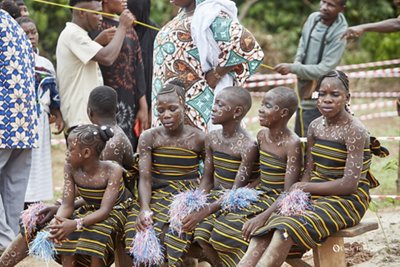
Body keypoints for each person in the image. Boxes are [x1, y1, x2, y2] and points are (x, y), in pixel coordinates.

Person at [238, 70, 383, 267]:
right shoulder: (315, 126)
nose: (326, 99)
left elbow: (349, 185)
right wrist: (266, 214)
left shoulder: (355, 131)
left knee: (284, 230)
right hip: (314, 194)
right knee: (262, 232)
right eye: (321, 94)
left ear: (347, 97)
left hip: (347, 200)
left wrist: (305, 188)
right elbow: (307, 173)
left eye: (335, 94)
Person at [0, 86, 135, 267]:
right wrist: (58, 210)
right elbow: (81, 192)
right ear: (117, 110)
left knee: (59, 228)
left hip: (113, 208)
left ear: (89, 111)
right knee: (37, 220)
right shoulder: (91, 137)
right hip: (89, 202)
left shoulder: (109, 144)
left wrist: (60, 212)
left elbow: (103, 197)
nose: (68, 152)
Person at [205, 87, 302, 266]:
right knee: (221, 225)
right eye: (262, 104)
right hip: (260, 194)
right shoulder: (261, 136)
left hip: (278, 200)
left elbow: (288, 192)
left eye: (267, 105)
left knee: (238, 229)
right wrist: (249, 188)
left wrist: (262, 217)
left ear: (283, 113)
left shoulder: (292, 143)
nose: (260, 109)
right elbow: (263, 175)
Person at [167, 86, 259, 266]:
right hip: (216, 197)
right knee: (178, 227)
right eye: (215, 102)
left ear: (237, 112)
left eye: (220, 104)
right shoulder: (212, 138)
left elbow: (236, 193)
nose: (213, 107)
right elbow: (207, 179)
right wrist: (196, 202)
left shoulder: (247, 145)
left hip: (237, 200)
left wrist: (204, 212)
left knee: (207, 232)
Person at [124, 81, 205, 265]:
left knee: (174, 231)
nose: (166, 115)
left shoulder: (199, 138)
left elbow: (208, 177)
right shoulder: (149, 137)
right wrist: (144, 208)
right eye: (160, 110)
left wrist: (198, 203)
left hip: (185, 198)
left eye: (172, 108)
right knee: (136, 228)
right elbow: (144, 179)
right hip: (156, 195)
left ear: (183, 104)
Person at [151, 0, 264, 132]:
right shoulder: (183, 15)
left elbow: (246, 44)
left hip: (194, 108)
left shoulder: (210, 14)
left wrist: (217, 74)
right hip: (166, 105)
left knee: (194, 148)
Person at [48, 124, 132, 267]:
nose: (67, 153)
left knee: (96, 237)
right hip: (90, 209)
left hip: (115, 211)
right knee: (65, 235)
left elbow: (105, 211)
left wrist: (75, 224)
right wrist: (58, 221)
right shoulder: (70, 167)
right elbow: (67, 205)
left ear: (86, 153)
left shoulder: (112, 170)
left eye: (70, 149)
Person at [56, 0, 135, 138]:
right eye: (97, 12)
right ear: (81, 12)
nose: (101, 17)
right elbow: (107, 57)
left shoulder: (77, 34)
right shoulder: (73, 34)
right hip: (81, 120)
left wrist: (96, 42)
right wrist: (122, 27)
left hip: (84, 119)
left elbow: (83, 61)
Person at [274, 0, 348, 138]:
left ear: (341, 8)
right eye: (323, 2)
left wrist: (294, 68)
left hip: (319, 88)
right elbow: (303, 43)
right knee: (301, 127)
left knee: (313, 119)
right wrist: (297, 63)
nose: (324, 7)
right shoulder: (313, 18)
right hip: (303, 84)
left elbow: (325, 69)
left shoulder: (341, 32)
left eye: (330, 5)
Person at [16, 16, 65, 208]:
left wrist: (58, 115)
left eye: (33, 32)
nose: (31, 37)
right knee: (20, 165)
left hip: (40, 122)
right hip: (19, 121)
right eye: (25, 33)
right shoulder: (10, 62)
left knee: (38, 166)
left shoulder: (45, 64)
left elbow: (53, 95)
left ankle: (34, 209)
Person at [0, 8, 38, 256]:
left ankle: (4, 245)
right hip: (24, 124)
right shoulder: (12, 25)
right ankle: (13, 245)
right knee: (15, 191)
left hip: (3, 122)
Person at [90, 0, 149, 150]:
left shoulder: (129, 29)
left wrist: (143, 106)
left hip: (128, 104)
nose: (125, 1)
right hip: (102, 99)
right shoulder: (94, 26)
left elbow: (138, 68)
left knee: (127, 151)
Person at [127, 0, 158, 114]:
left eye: (134, 12)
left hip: (149, 101)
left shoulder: (154, 33)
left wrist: (152, 108)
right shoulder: (120, 30)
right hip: (126, 100)